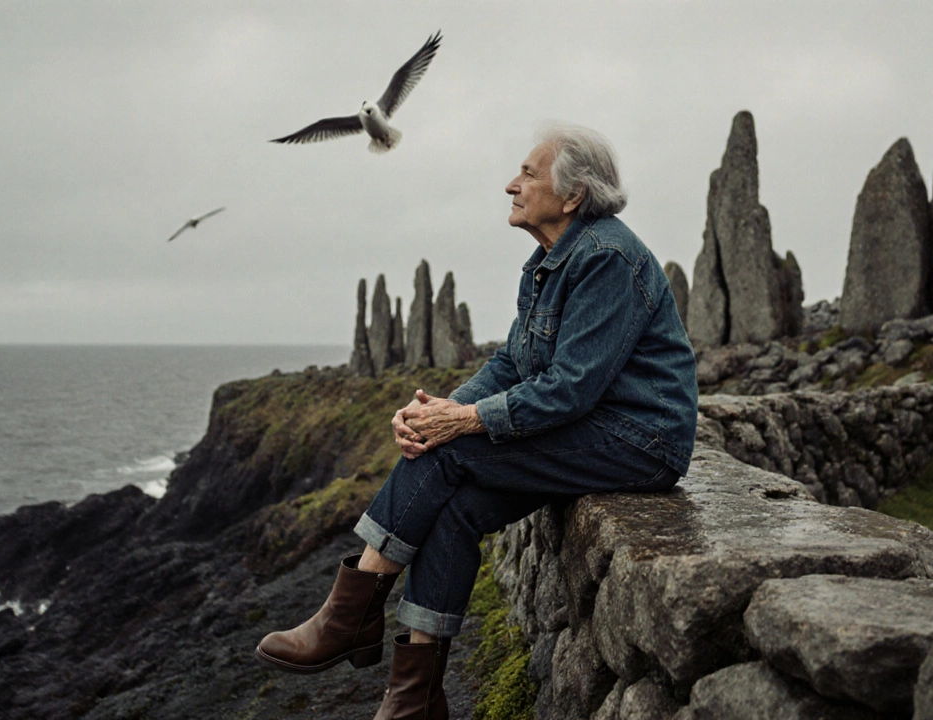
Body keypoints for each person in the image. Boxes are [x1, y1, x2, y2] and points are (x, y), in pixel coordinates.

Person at [255, 123, 698, 719]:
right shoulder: (546, 261)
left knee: (452, 452)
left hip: (640, 441)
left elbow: (569, 389)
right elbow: (513, 363)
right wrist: (437, 412)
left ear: (572, 197)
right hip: (595, 431)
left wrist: (459, 425)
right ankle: (415, 698)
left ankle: (348, 617)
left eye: (528, 174)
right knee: (456, 504)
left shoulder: (606, 258)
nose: (510, 185)